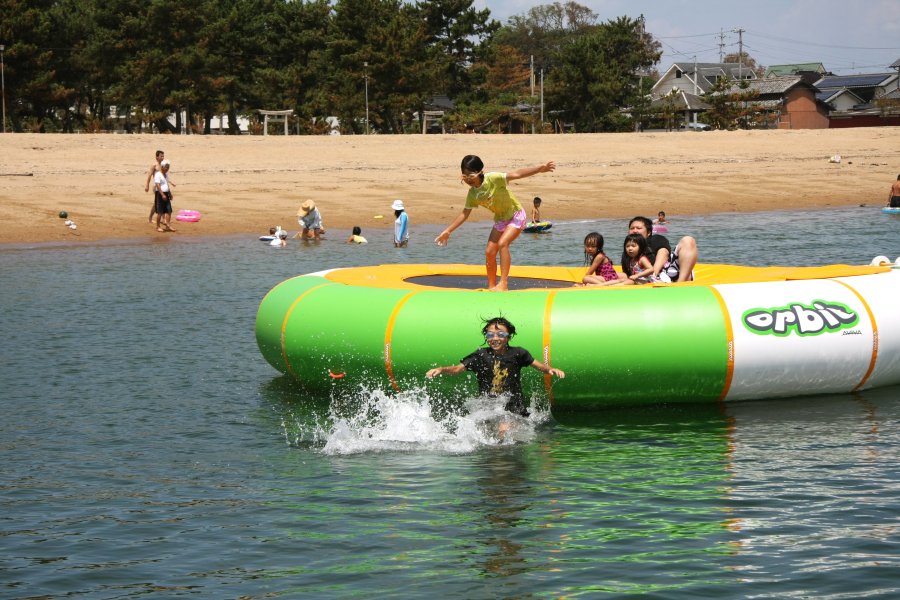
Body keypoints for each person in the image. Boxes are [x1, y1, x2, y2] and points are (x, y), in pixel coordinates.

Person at [435, 155, 556, 291]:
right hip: (501, 219)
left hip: (516, 215)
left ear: (479, 172)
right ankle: (492, 286)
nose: (467, 179)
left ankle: (503, 283)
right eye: (464, 175)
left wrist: (540, 169)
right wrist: (448, 231)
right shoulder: (472, 194)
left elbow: (516, 174)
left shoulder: (493, 178)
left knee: (503, 244)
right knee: (489, 252)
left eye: (470, 175)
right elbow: (464, 214)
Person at [425, 316, 565, 417]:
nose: (495, 338)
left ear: (508, 337)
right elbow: (457, 369)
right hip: (488, 406)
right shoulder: (480, 355)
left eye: (501, 334)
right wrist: (441, 369)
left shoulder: (518, 353)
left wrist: (550, 369)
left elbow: (537, 365)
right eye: (490, 334)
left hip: (513, 406)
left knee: (504, 430)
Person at [624, 216, 698, 283]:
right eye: (632, 228)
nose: (635, 230)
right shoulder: (629, 248)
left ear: (649, 232)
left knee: (688, 240)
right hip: (646, 278)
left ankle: (681, 283)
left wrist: (654, 275)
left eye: (638, 228)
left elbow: (663, 253)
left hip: (667, 270)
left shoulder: (655, 239)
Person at [153, 159, 175, 232]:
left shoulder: (166, 175)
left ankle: (168, 225)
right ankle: (158, 226)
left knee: (169, 210)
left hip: (166, 194)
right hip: (160, 194)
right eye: (166, 167)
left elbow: (167, 185)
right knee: (160, 211)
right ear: (162, 167)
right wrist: (162, 194)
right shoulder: (158, 174)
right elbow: (158, 185)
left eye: (168, 167)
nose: (167, 169)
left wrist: (170, 194)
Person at [145, 149, 164, 224]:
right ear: (157, 157)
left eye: (163, 156)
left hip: (163, 186)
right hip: (156, 186)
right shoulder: (154, 165)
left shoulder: (163, 165)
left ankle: (163, 219)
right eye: (161, 156)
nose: (162, 157)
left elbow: (164, 176)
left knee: (162, 202)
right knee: (157, 203)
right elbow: (149, 175)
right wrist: (147, 186)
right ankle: (150, 218)